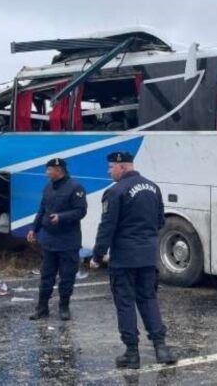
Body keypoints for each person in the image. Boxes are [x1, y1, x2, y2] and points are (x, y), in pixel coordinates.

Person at [90, 151, 177, 369]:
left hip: (124, 258)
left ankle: (131, 353)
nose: (109, 171)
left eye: (111, 167)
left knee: (125, 303)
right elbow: (159, 221)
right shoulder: (153, 187)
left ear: (122, 167)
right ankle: (161, 348)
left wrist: (97, 255)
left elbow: (107, 227)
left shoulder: (115, 191)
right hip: (148, 256)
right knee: (148, 299)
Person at [27, 158, 87, 321]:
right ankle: (42, 308)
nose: (47, 173)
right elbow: (41, 210)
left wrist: (61, 217)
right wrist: (34, 229)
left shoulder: (75, 188)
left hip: (68, 241)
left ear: (59, 170)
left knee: (67, 277)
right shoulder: (48, 188)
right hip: (49, 241)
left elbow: (81, 211)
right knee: (46, 276)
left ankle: (64, 307)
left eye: (49, 170)